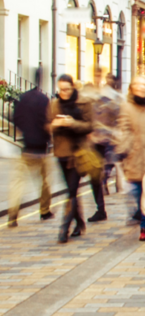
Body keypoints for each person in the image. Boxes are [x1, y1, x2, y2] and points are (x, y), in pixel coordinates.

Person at [49, 74, 94, 244]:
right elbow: (47, 125)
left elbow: (90, 125)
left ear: (73, 88)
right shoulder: (54, 104)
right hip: (61, 153)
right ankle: (80, 222)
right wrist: (54, 125)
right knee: (71, 190)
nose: (64, 93)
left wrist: (72, 123)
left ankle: (64, 228)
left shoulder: (84, 102)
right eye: (61, 90)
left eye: (67, 89)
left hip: (78, 154)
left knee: (71, 191)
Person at [8, 68, 54, 227]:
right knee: (44, 182)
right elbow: (48, 122)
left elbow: (16, 118)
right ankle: (44, 210)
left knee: (18, 183)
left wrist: (26, 131)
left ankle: (13, 215)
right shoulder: (44, 99)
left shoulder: (23, 98)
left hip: (26, 147)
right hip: (41, 148)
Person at [116, 75, 145, 241]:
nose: (140, 88)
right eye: (137, 85)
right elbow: (124, 129)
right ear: (132, 88)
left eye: (144, 85)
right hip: (133, 155)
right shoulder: (126, 107)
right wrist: (122, 150)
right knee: (137, 191)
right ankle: (141, 214)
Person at [88, 71, 122, 222]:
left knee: (110, 168)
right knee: (96, 176)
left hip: (109, 141)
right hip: (95, 142)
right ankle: (100, 208)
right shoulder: (93, 96)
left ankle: (107, 185)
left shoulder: (115, 98)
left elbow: (121, 118)